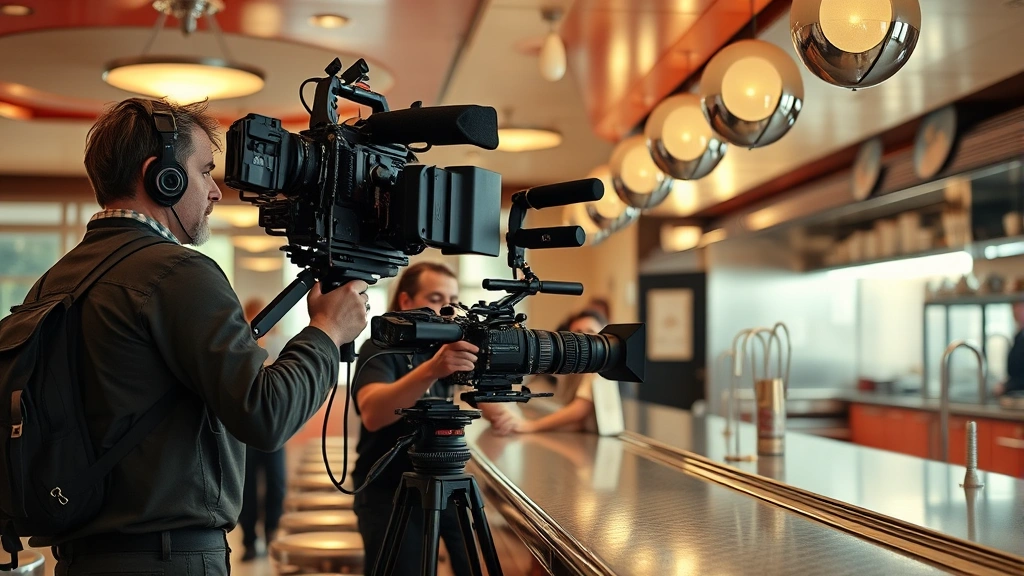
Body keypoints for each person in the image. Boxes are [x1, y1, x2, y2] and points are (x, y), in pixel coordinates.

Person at [32, 98, 369, 576]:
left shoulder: (55, 281)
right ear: (162, 176)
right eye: (205, 170)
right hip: (168, 559)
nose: (215, 191)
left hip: (78, 560)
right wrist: (327, 332)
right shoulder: (178, 272)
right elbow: (266, 415)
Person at [350, 261, 513, 576]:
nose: (447, 311)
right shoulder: (380, 348)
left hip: (445, 478)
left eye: (453, 301)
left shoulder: (445, 350)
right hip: (389, 489)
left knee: (470, 563)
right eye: (436, 299)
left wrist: (491, 401)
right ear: (406, 302)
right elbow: (372, 413)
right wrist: (434, 368)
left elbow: (475, 396)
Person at [237, 298, 287, 562]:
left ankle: (271, 534)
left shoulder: (281, 344)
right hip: (246, 429)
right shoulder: (239, 343)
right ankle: (248, 541)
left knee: (276, 484)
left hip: (275, 425)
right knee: (247, 488)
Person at [509, 309, 608, 434]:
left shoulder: (601, 366)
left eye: (591, 331)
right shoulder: (573, 368)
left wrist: (532, 426)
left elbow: (579, 410)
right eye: (578, 333)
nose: (585, 340)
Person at [1000, 300, 1024, 395]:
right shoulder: (1018, 336)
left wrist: (1007, 386)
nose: (1015, 311)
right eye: (1014, 307)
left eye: (1019, 307)